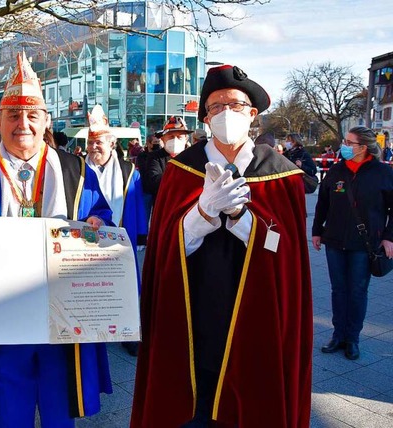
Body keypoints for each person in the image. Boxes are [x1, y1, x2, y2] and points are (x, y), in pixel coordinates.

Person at [131, 64, 313, 427]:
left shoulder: (283, 175)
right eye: (215, 107)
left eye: (235, 104)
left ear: (252, 114)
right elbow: (165, 247)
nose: (225, 113)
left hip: (259, 314)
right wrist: (201, 213)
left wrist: (241, 219)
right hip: (193, 312)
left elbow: (287, 254)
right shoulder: (181, 171)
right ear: (204, 117)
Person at [0, 52, 113, 428]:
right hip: (1, 321)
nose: (23, 124)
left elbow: (104, 222)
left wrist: (99, 224)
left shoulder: (76, 170)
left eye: (32, 115)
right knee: (11, 416)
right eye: (14, 115)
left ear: (46, 120)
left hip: (61, 319)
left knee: (58, 416)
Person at [312, 126, 393, 361]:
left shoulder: (382, 173)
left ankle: (352, 339)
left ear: (363, 147)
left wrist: (389, 237)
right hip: (335, 241)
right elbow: (322, 204)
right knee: (338, 290)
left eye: (349, 142)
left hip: (365, 244)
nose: (344, 146)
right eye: (344, 141)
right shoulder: (336, 171)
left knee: (357, 291)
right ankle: (338, 336)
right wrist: (317, 231)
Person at [85, 104, 148, 356]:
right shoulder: (78, 169)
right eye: (90, 142)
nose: (93, 147)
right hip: (89, 237)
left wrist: (140, 235)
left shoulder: (128, 171)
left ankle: (128, 331)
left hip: (121, 236)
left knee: (126, 285)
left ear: (112, 143)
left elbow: (135, 204)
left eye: (99, 142)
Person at [143, 116, 193, 203]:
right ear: (163, 138)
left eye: (179, 137)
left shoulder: (193, 157)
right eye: (171, 136)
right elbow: (153, 182)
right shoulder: (154, 157)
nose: (175, 140)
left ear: (186, 139)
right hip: (163, 205)